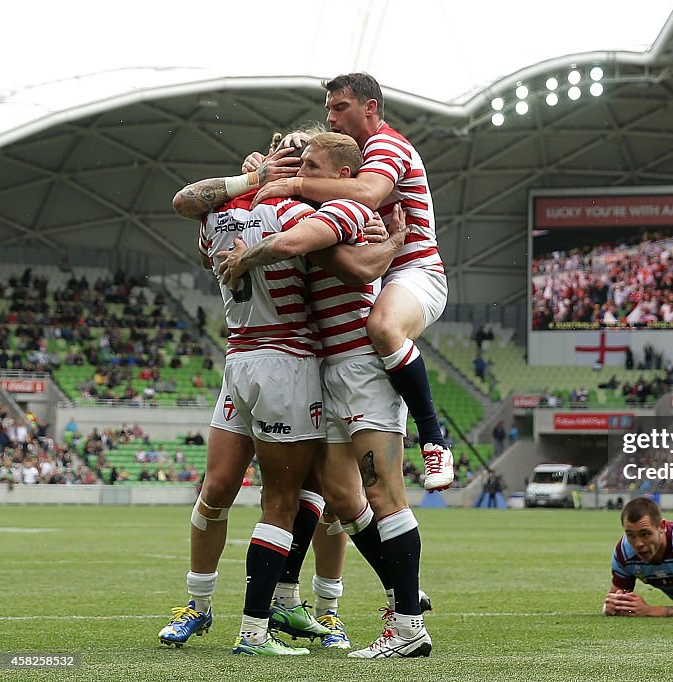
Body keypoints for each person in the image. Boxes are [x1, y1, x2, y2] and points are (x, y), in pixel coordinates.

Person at [159, 131, 397, 655]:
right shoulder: (268, 212)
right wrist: (387, 232)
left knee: (288, 494)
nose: (291, 161)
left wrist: (255, 189)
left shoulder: (246, 217)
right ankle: (221, 613)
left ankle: (286, 610)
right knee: (256, 492)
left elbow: (200, 228)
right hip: (268, 358)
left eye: (300, 156)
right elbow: (341, 258)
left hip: (268, 360)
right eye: (290, 155)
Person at [223, 133, 434, 659]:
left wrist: (248, 255)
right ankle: (402, 594)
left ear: (342, 174)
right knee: (341, 497)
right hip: (327, 369)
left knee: (386, 495)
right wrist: (261, 172)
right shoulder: (308, 208)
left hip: (360, 366)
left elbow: (352, 267)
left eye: (313, 166)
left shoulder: (343, 207)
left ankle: (407, 626)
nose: (304, 173)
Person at [250, 72, 453, 491]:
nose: (331, 119)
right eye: (328, 110)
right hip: (375, 277)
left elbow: (370, 192)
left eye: (340, 108)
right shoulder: (345, 157)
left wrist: (295, 183)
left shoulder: (387, 145)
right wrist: (261, 172)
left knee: (383, 327)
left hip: (416, 272)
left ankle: (434, 441)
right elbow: (298, 162)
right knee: (336, 497)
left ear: (370, 108)